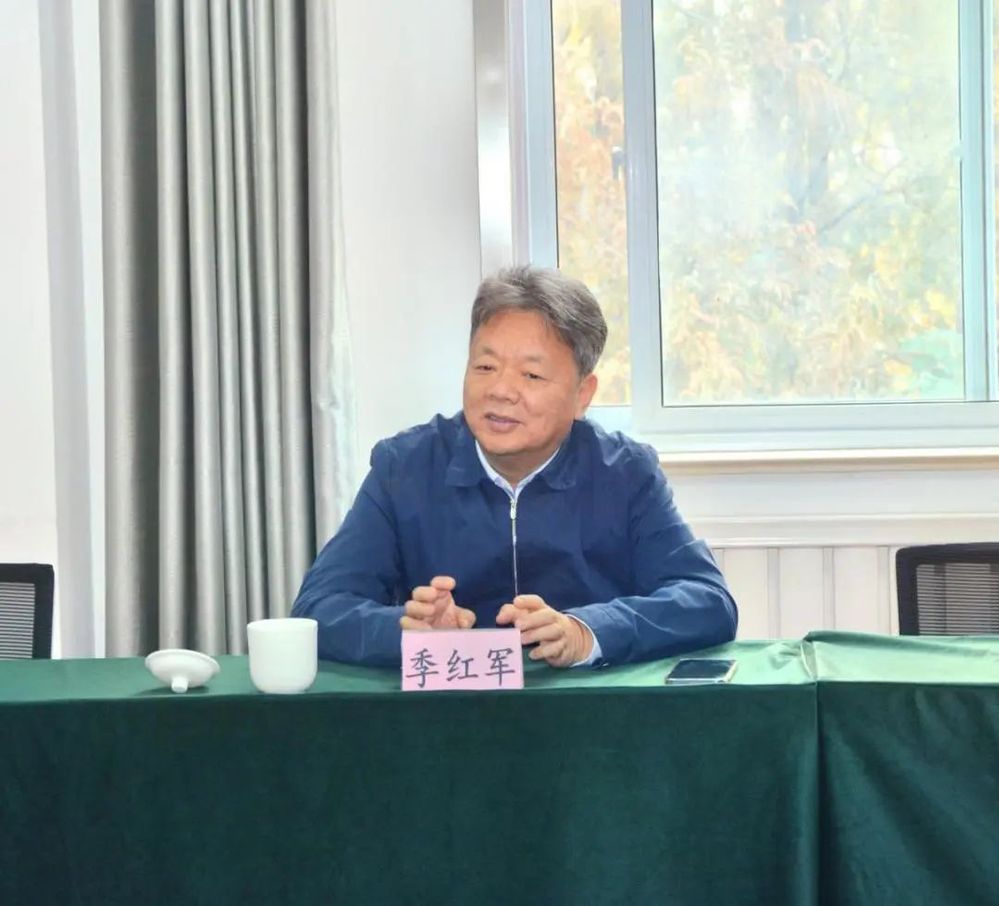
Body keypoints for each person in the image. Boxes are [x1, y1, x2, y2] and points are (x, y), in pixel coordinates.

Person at [292, 266, 737, 667]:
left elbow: (707, 601)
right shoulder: (405, 468)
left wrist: (587, 631)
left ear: (582, 394)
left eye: (532, 375)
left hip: (586, 716)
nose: (501, 390)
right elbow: (318, 609)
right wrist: (408, 633)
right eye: (485, 366)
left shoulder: (625, 473)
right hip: (449, 716)